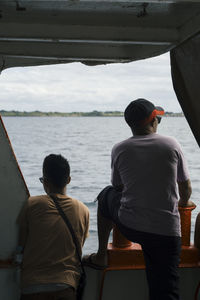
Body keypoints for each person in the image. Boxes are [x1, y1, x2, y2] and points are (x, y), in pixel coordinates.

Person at [83, 99, 194, 300]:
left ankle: (101, 255)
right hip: (165, 232)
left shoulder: (119, 148)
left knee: (105, 194)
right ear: (153, 122)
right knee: (165, 291)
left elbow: (117, 187)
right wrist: (183, 202)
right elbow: (185, 187)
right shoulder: (171, 144)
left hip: (131, 226)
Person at [17, 154, 89, 300]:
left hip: (32, 286)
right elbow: (78, 247)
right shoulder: (83, 210)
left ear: (45, 181)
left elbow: (21, 244)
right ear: (68, 180)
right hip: (66, 287)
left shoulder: (32, 204)